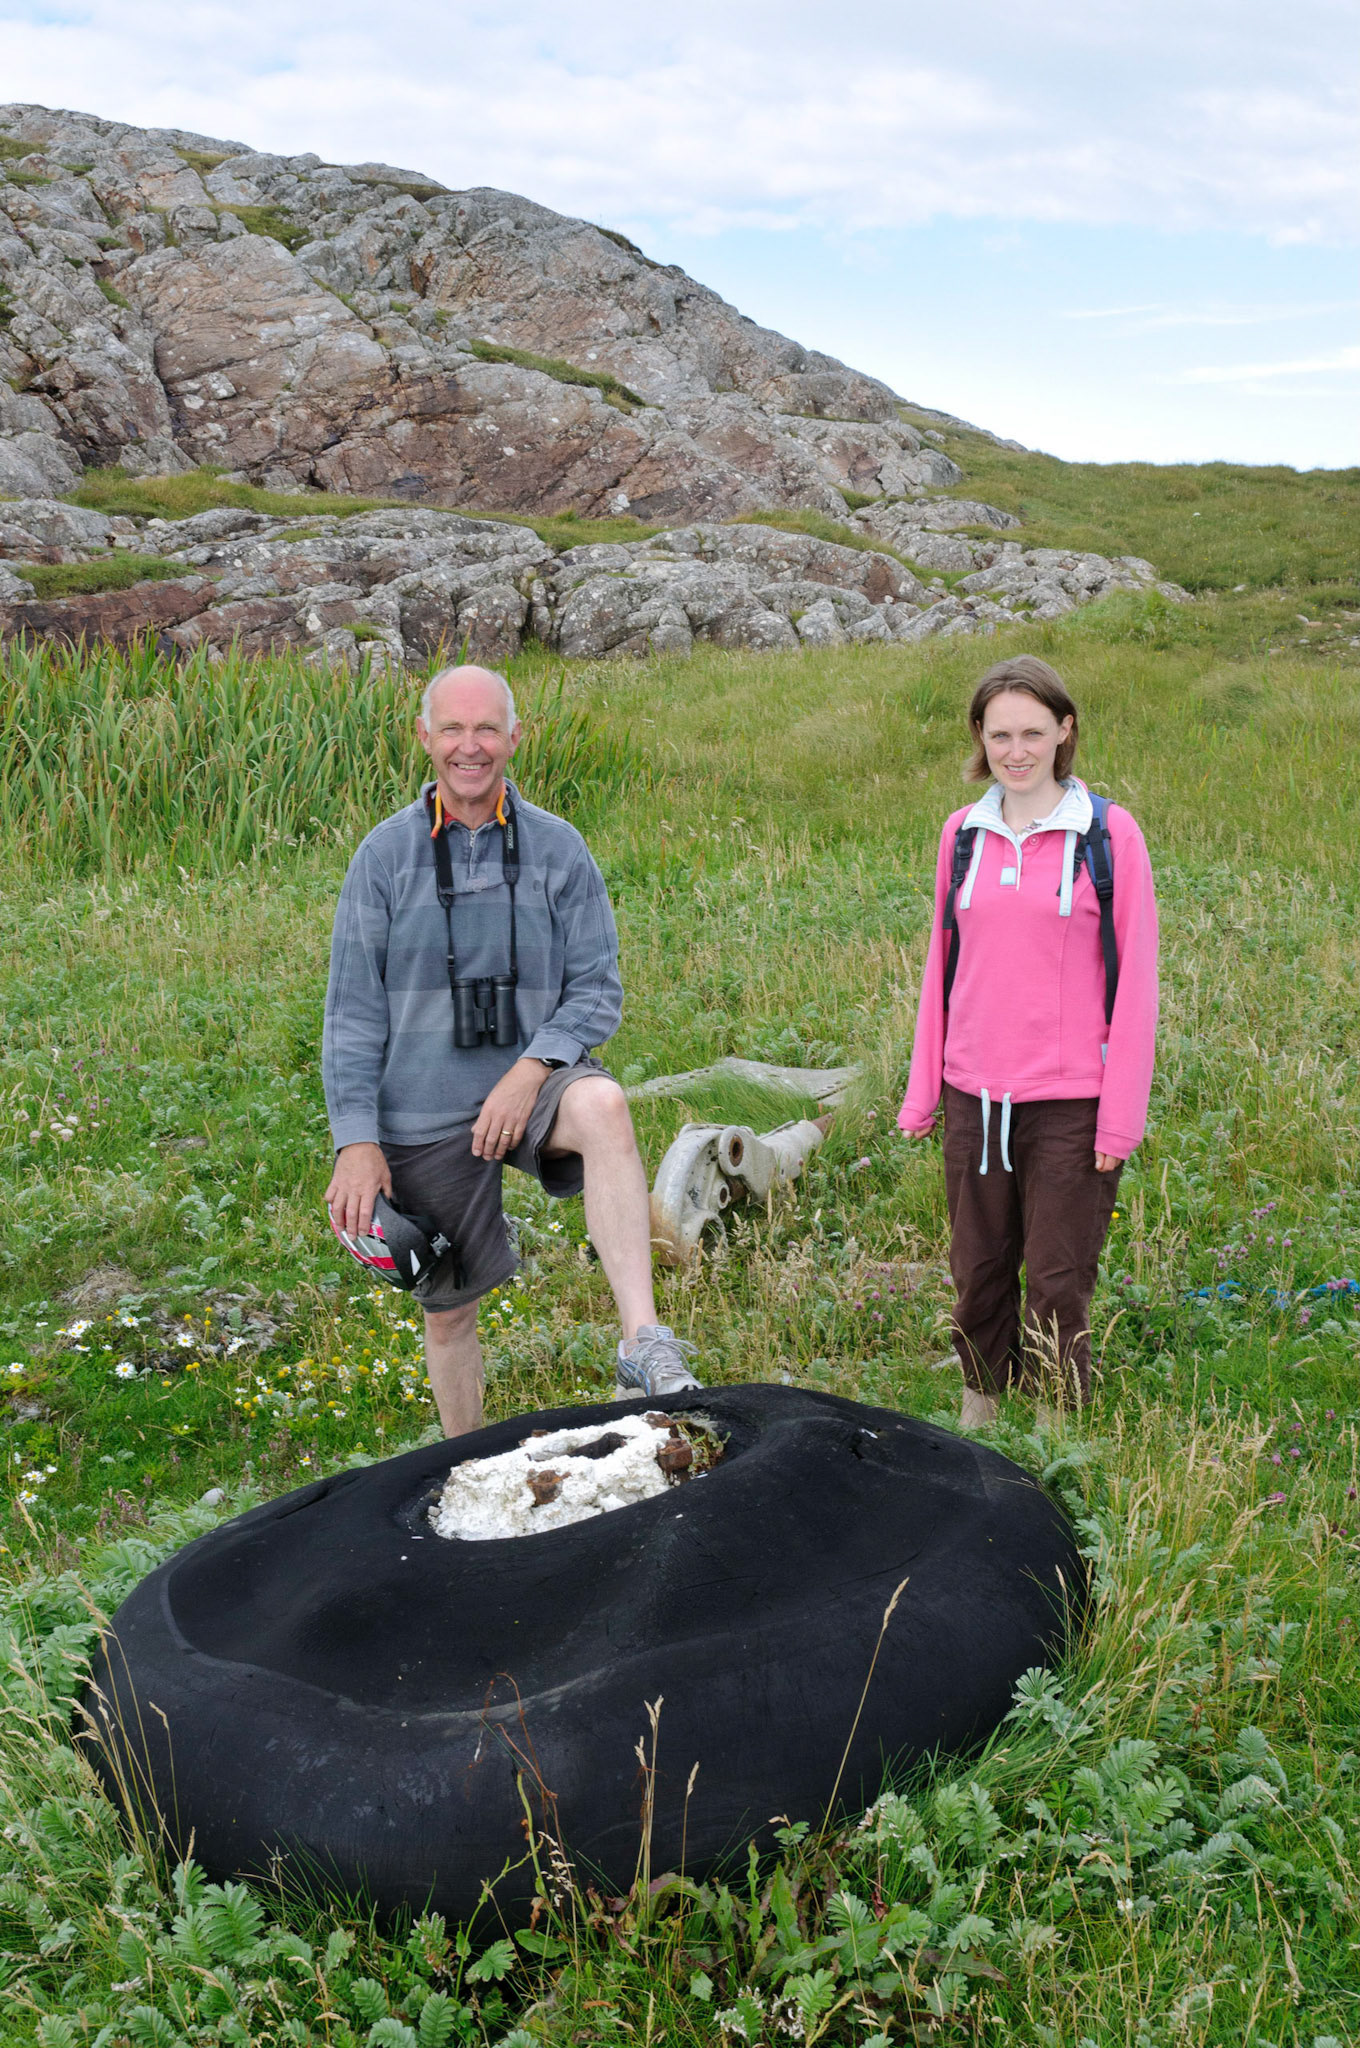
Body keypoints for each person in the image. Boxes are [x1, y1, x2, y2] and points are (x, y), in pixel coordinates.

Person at [322, 663, 702, 1436]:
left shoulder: (560, 849)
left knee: (602, 1104)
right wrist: (355, 1142)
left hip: (531, 1088)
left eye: (487, 728)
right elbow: (352, 1013)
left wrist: (530, 1071)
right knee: (449, 1316)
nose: (471, 746)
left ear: (515, 738)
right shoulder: (384, 857)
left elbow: (597, 989)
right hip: (420, 1106)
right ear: (425, 739)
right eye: (454, 729)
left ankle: (643, 1342)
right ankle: (460, 1460)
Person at [898, 656, 1159, 1426]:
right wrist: (925, 1093)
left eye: (1034, 733)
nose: (1017, 750)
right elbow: (943, 967)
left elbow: (1136, 984)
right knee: (977, 1268)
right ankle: (979, 1412)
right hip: (974, 1096)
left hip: (1072, 1103)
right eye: (1001, 733)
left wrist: (1119, 1120)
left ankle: (1055, 1431)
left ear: (1064, 732)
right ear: (980, 736)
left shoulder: (1107, 835)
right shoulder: (964, 835)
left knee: (1056, 1276)